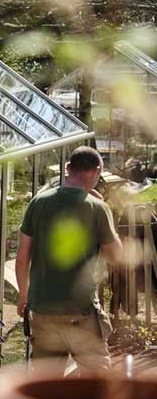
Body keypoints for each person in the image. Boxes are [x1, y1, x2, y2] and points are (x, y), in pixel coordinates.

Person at [15, 146, 123, 375]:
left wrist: (24, 295)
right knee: (97, 381)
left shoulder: (37, 203)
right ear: (95, 172)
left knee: (46, 385)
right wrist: (105, 212)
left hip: (42, 312)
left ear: (67, 168)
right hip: (80, 313)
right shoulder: (98, 208)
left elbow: (23, 257)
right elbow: (116, 256)